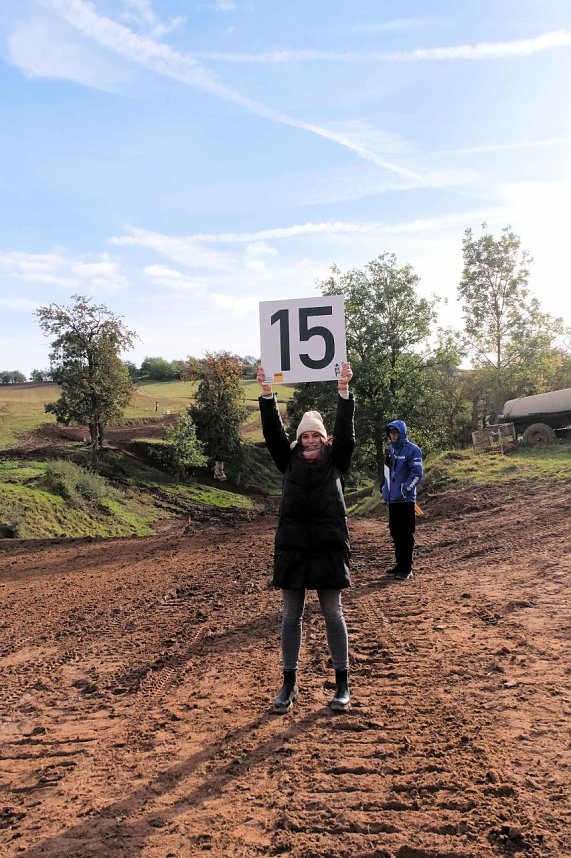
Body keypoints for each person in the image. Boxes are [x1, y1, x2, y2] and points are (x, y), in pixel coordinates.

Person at [257, 362, 355, 714]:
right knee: (290, 616)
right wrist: (268, 396)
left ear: (324, 438)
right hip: (294, 548)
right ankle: (289, 684)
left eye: (316, 435)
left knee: (333, 613)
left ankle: (342, 683)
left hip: (329, 547)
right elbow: (272, 434)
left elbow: (347, 434)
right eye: (305, 436)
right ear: (299, 440)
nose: (310, 441)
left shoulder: (336, 461)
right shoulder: (288, 461)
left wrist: (343, 392)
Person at [381, 420, 423, 581]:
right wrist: (384, 488)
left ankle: (407, 568)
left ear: (402, 433)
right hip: (392, 500)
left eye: (396, 432)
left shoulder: (413, 450)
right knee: (395, 532)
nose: (393, 435)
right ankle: (399, 564)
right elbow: (386, 471)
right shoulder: (390, 449)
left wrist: (405, 489)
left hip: (405, 500)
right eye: (391, 433)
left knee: (406, 534)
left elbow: (417, 473)